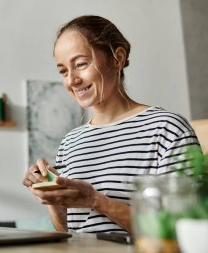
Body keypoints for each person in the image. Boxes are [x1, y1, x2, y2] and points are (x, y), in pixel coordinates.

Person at [22, 15, 200, 234]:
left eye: (80, 64)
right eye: (63, 71)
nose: (71, 80)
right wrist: (51, 196)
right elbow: (66, 234)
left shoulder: (168, 129)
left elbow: (180, 229)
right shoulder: (70, 142)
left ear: (117, 58)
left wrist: (96, 201)